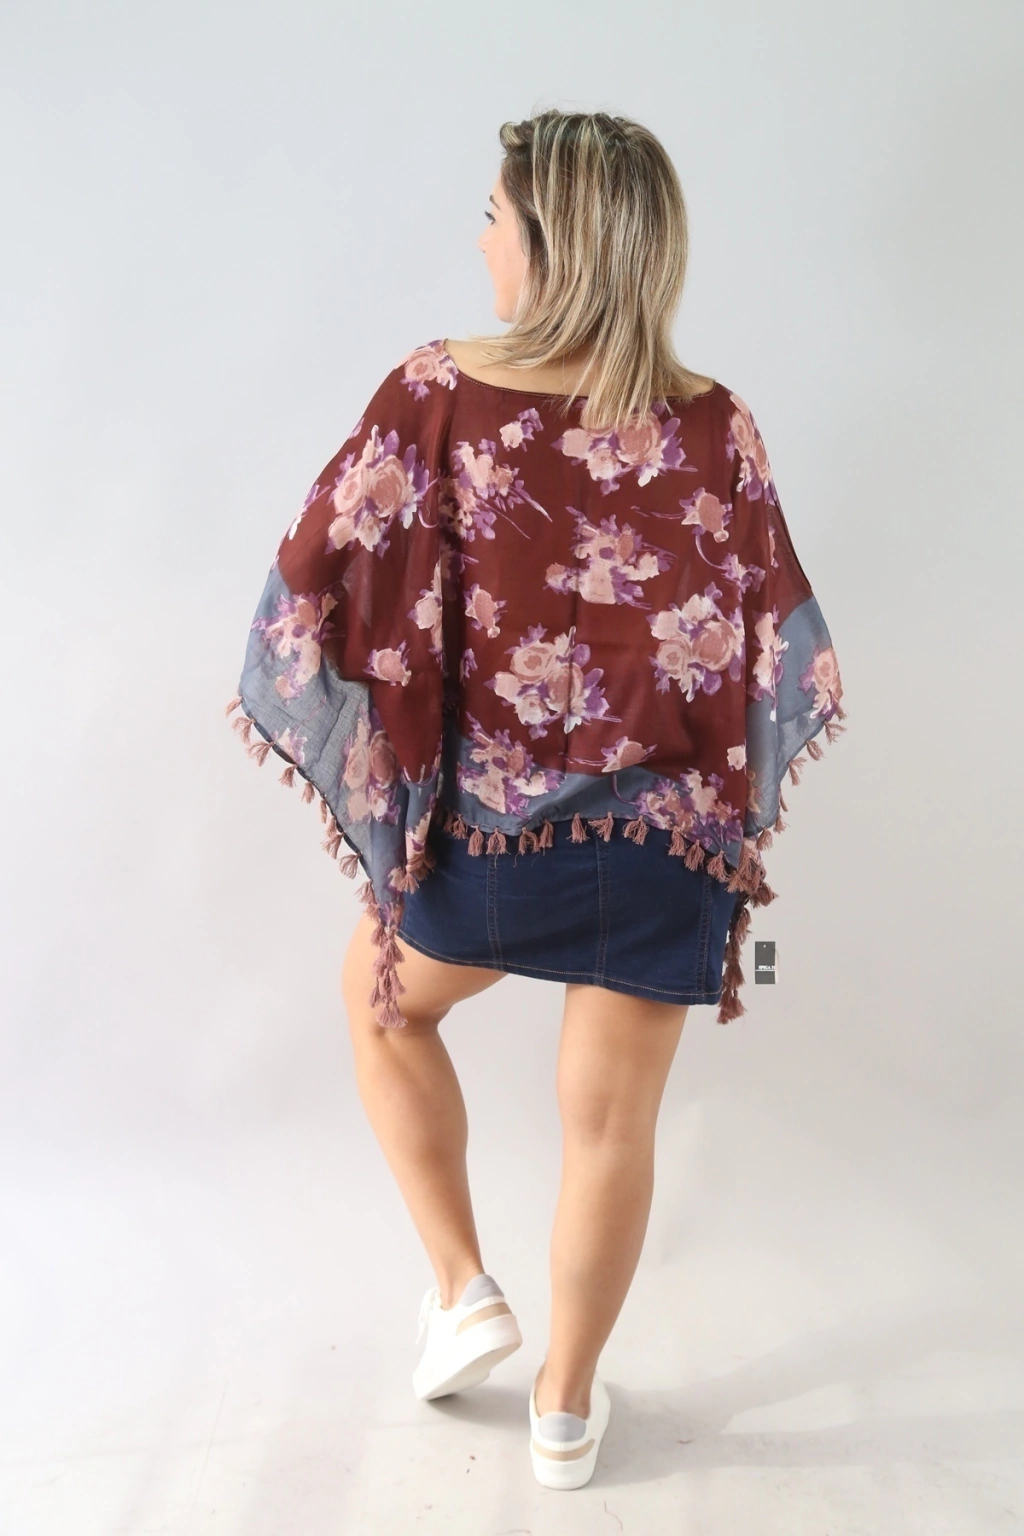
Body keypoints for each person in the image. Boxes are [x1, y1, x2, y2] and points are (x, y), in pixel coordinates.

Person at [225, 108, 846, 1490]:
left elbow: (314, 580)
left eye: (495, 218)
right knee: (610, 1129)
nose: (481, 241)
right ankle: (565, 1413)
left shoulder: (437, 390)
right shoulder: (717, 423)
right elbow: (774, 653)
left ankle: (462, 1290)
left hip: (487, 846)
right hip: (664, 849)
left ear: (553, 242)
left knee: (379, 1003)